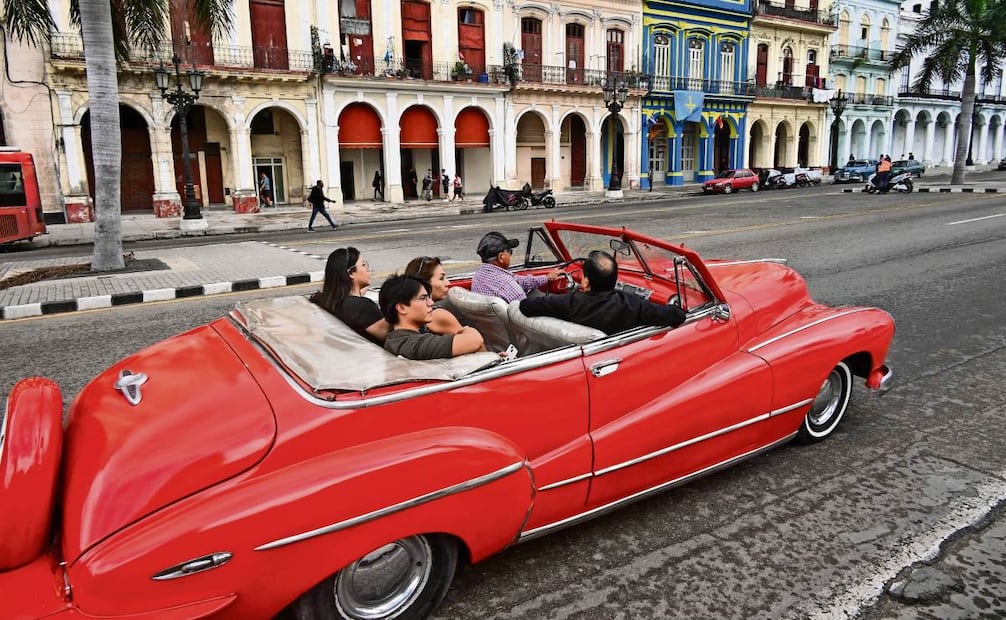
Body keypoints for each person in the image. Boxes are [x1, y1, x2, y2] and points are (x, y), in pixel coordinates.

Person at [519, 250, 687, 335]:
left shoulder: (568, 302)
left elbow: (525, 306)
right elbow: (678, 315)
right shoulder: (632, 304)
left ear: (586, 281)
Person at [379, 274, 486, 360]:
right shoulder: (413, 345)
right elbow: (475, 340)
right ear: (402, 308)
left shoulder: (395, 340)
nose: (431, 303)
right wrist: (467, 330)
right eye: (423, 298)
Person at [311, 247, 389, 345]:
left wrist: (358, 292)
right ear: (351, 273)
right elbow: (392, 337)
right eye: (364, 265)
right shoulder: (362, 307)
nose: (367, 269)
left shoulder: (325, 300)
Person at [471, 231, 563, 302]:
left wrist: (546, 278)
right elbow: (526, 313)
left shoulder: (478, 276)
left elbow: (519, 280)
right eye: (510, 252)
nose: (511, 255)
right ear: (501, 257)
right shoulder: (507, 285)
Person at [404, 255, 463, 334]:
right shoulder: (437, 315)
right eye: (441, 278)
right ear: (424, 283)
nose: (448, 283)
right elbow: (475, 344)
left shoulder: (401, 314)